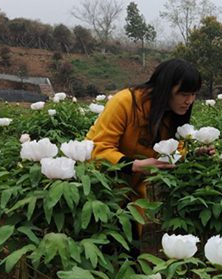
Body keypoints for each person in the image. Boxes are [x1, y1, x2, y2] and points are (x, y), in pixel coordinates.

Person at [86, 58, 213, 238]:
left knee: (131, 248)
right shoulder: (125, 102)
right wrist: (134, 165)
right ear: (165, 88)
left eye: (194, 94)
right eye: (184, 94)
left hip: (134, 194)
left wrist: (193, 154)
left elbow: (172, 152)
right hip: (100, 188)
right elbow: (97, 148)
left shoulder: (172, 114)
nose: (189, 101)